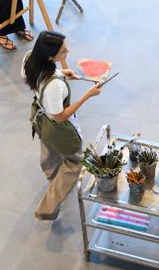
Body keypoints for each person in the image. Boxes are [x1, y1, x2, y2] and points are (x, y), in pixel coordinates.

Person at [23, 31, 102, 221]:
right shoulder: (55, 87)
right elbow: (59, 117)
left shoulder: (30, 60)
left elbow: (43, 80)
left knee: (49, 152)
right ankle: (47, 207)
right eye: (63, 52)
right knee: (74, 162)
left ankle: (52, 176)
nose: (68, 52)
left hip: (40, 119)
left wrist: (61, 74)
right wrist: (87, 95)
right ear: (50, 57)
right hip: (55, 126)